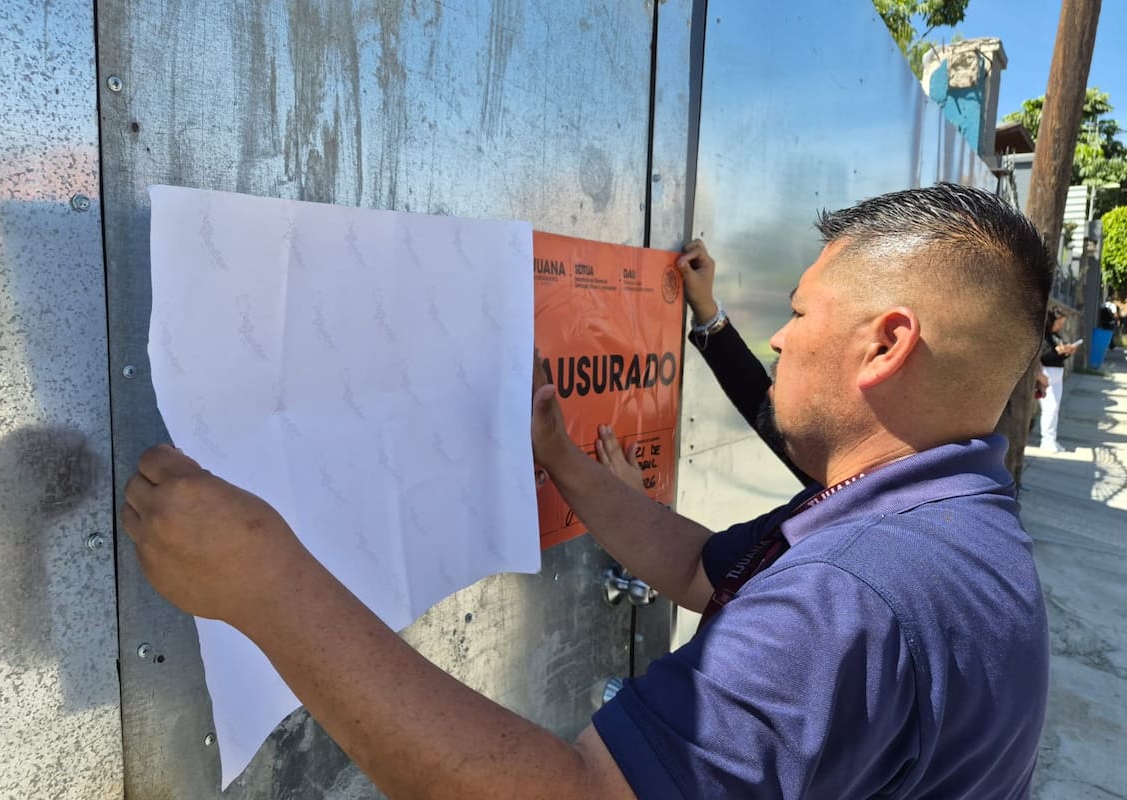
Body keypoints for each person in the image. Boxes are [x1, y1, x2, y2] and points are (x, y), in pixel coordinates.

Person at [121, 183, 1052, 799]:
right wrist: (565, 463)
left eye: (801, 314)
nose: (779, 340)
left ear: (885, 345)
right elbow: (701, 566)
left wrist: (271, 588)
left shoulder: (854, 593)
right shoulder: (950, 524)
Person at [1039, 307, 1078, 452]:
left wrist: (1067, 352)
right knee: (1049, 408)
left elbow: (1058, 354)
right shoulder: (1044, 335)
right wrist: (1057, 351)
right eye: (1059, 322)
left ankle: (1052, 439)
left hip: (1057, 373)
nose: (1060, 326)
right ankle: (1046, 440)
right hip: (1047, 373)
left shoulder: (1055, 335)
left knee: (1055, 408)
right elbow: (1043, 355)